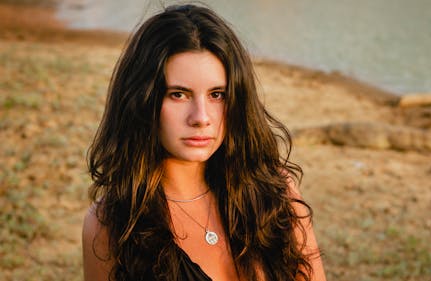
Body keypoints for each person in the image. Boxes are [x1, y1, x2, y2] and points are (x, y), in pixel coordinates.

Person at [82, 3, 326, 281]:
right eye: (178, 94)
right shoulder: (112, 224)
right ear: (143, 100)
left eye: (217, 94)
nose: (201, 118)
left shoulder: (275, 194)